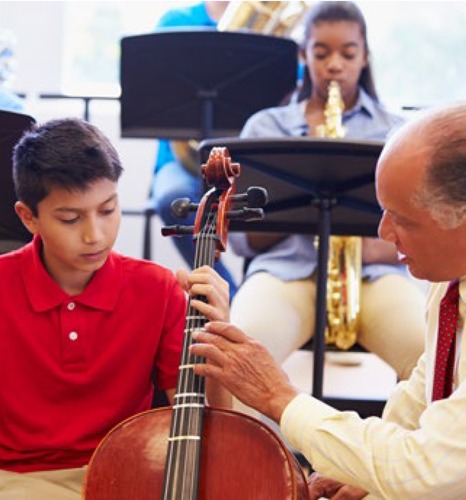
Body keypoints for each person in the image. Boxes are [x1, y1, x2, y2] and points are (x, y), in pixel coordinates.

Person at [191, 102, 466, 498]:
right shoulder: (451, 275)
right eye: (383, 211)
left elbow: (426, 473)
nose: (382, 231)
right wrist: (359, 467)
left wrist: (279, 397)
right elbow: (427, 380)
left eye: (403, 219)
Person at [0, 117, 230, 499]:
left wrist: (220, 336)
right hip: (19, 480)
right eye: (70, 218)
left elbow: (206, 422)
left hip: (131, 473)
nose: (95, 235)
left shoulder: (158, 289)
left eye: (107, 210)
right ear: (28, 217)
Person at [229, 1, 426, 382]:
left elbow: (422, 226)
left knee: (430, 354)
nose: (334, 64)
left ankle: (404, 443)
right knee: (239, 358)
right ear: (304, 54)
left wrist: (369, 248)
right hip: (285, 274)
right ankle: (256, 444)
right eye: (321, 53)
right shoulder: (266, 127)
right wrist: (300, 201)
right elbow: (242, 241)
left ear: (365, 56)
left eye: (348, 53)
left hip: (373, 278)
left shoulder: (399, 133)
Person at [148, 1, 238, 297]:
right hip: (179, 158)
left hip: (245, 155)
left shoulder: (278, 27)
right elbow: (153, 84)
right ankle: (230, 296)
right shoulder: (176, 21)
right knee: (173, 199)